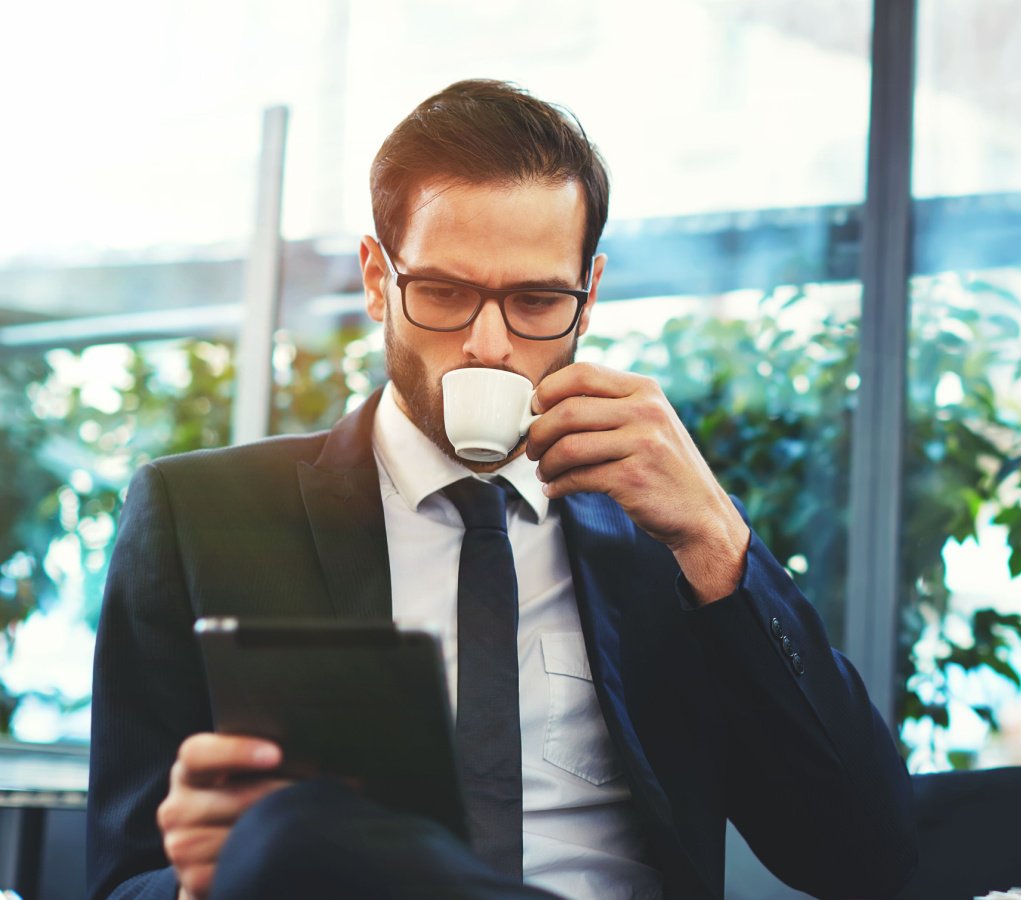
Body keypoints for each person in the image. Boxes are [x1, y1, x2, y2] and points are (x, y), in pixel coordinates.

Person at [87, 79, 916, 900]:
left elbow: (863, 858)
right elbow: (121, 881)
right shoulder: (201, 516)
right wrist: (204, 886)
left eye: (535, 301)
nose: (489, 345)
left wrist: (716, 537)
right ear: (378, 280)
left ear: (587, 297)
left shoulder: (664, 539)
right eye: (444, 293)